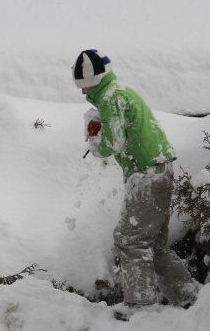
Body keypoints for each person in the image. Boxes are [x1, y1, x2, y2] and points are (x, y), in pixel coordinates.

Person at [73, 49, 197, 316]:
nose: (83, 93)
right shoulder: (120, 92)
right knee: (153, 244)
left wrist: (95, 142)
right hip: (159, 169)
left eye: (84, 86)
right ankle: (188, 296)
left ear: (94, 80)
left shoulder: (110, 98)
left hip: (146, 174)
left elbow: (113, 143)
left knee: (130, 239)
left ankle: (139, 306)